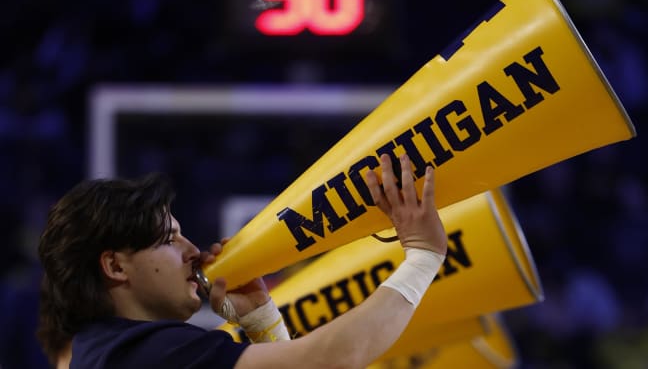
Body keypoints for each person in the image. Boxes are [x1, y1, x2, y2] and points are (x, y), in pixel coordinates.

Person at [37, 153, 448, 368]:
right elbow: (333, 359)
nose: (193, 250)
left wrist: (262, 324)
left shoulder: (112, 350)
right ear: (115, 267)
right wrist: (423, 257)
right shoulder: (146, 352)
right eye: (168, 240)